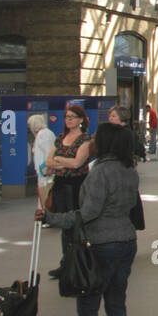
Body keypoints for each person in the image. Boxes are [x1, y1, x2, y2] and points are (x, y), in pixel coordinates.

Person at [37, 122, 138, 316]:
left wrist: (53, 218)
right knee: (116, 304)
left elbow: (90, 213)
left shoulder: (99, 173)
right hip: (126, 240)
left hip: (101, 244)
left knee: (88, 306)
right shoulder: (130, 170)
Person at [45, 104, 93, 277]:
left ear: (81, 120)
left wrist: (59, 159)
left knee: (76, 224)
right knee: (63, 225)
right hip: (60, 184)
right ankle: (66, 262)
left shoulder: (85, 140)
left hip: (76, 185)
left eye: (73, 116)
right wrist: (64, 160)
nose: (69, 119)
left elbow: (77, 163)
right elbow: (48, 161)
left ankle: (80, 261)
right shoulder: (60, 138)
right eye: (67, 116)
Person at [28, 113, 55, 226]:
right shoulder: (45, 133)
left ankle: (48, 217)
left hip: (46, 172)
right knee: (44, 194)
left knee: (46, 194)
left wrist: (48, 168)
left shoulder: (43, 135)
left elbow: (49, 152)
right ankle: (45, 216)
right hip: (43, 171)